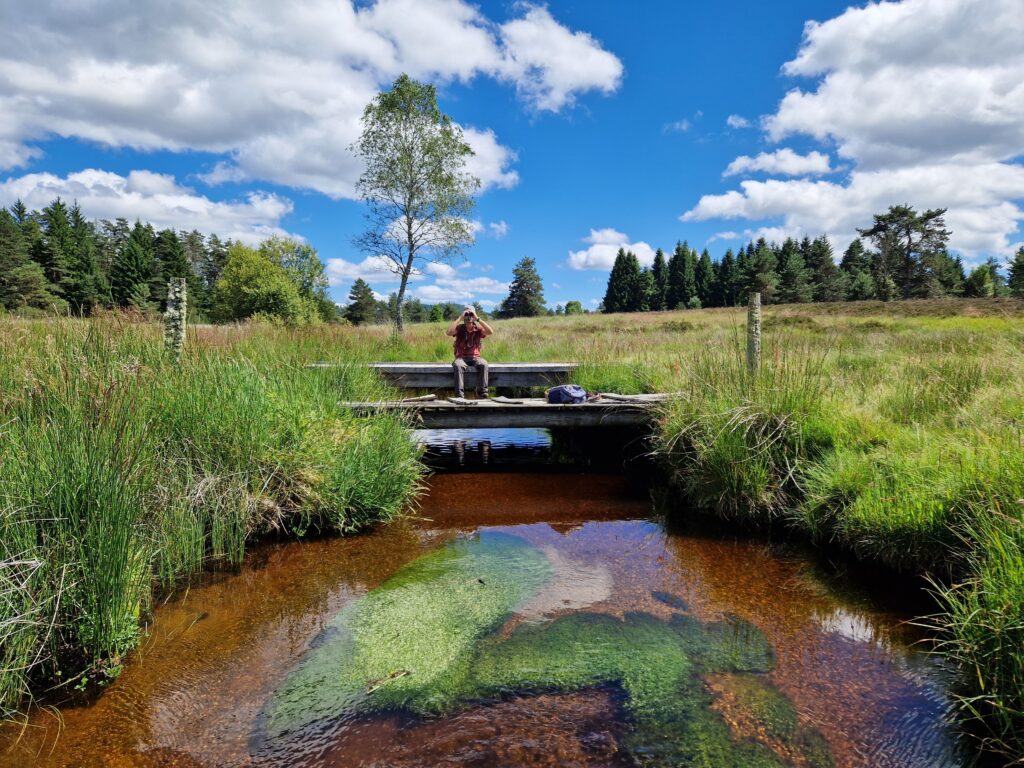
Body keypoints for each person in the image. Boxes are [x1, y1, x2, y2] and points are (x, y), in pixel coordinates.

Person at [446, 306, 494, 398]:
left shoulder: (478, 329)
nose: (469, 316)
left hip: (475, 357)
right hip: (461, 357)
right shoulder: (460, 328)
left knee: (483, 364)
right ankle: (459, 395)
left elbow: (490, 331)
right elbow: (448, 332)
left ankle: (483, 392)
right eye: (466, 314)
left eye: (470, 314)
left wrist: (478, 318)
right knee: (458, 365)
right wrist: (460, 317)